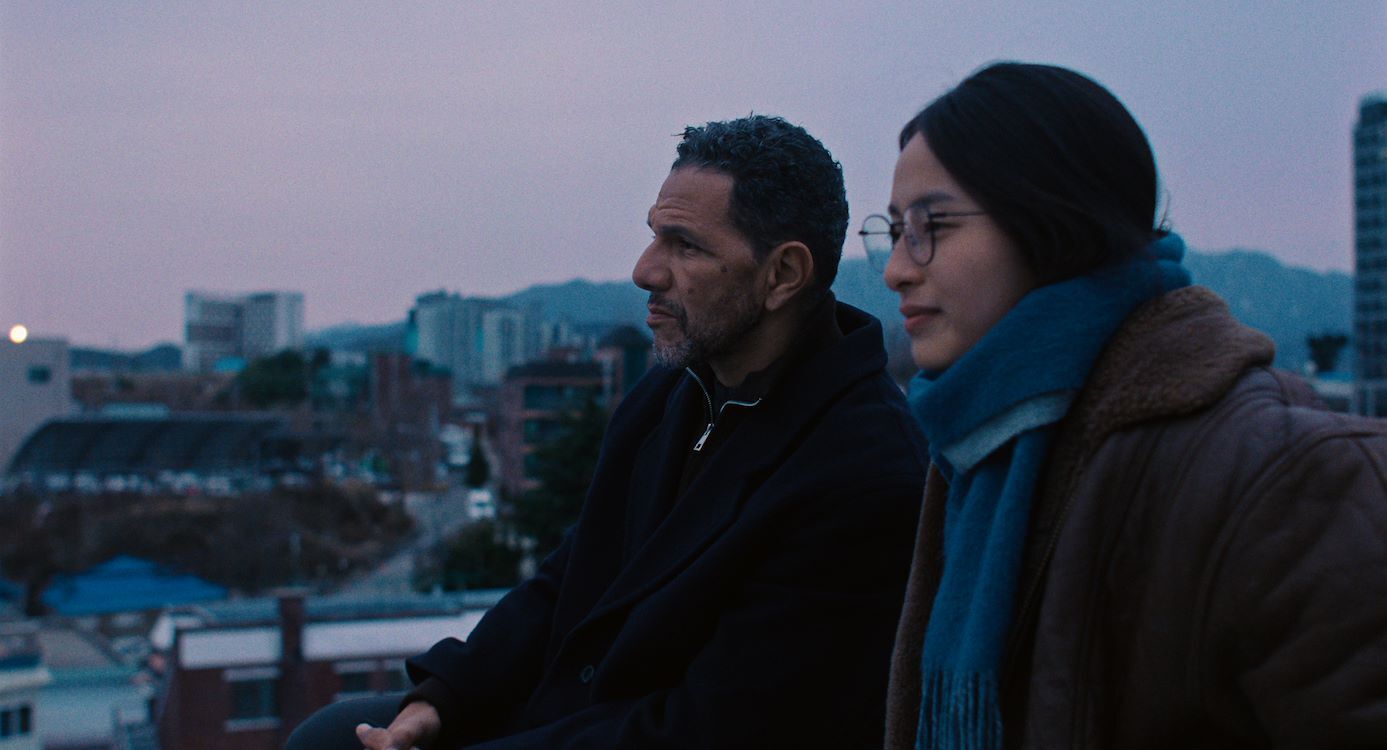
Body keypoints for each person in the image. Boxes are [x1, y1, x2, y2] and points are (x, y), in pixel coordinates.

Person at [286, 115, 928, 749]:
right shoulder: (672, 392)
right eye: (655, 236)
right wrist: (445, 697)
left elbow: (711, 728)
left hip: (638, 732)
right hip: (573, 713)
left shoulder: (863, 475)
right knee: (329, 739)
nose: (645, 270)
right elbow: (569, 578)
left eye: (686, 246)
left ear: (783, 274)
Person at [865, 62, 1387, 749]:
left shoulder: (1279, 474)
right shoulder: (974, 449)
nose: (897, 268)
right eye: (894, 231)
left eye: (931, 225)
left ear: (1051, 220)